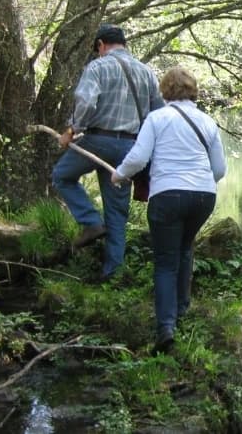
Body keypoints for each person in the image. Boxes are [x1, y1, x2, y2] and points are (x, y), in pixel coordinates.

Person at [112, 66, 226, 353]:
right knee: (185, 247)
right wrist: (196, 183)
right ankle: (182, 309)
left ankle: (165, 328)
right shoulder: (208, 122)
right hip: (203, 197)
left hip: (167, 196)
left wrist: (118, 174)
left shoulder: (157, 118)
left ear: (165, 90)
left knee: (165, 260)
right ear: (193, 90)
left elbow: (138, 158)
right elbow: (220, 170)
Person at [53, 24, 164, 282]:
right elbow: (157, 113)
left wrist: (72, 129)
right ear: (124, 44)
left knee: (62, 176)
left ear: (101, 45)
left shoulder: (97, 67)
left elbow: (87, 101)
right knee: (116, 214)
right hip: (130, 150)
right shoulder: (146, 72)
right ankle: (112, 276)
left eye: (97, 49)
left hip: (97, 141)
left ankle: (90, 221)